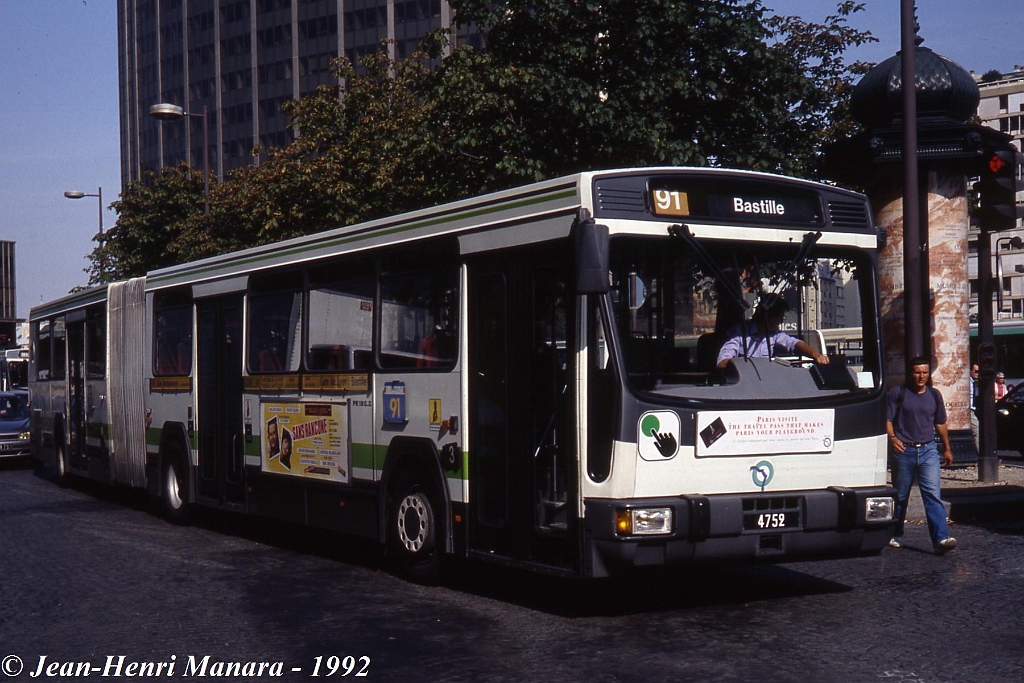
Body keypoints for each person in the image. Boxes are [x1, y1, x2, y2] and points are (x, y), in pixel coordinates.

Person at [886, 356, 956, 554]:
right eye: (917, 372)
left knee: (933, 495)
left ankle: (941, 539)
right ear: (910, 373)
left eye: (925, 372)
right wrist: (893, 438)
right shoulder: (897, 393)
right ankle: (896, 532)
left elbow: (940, 422)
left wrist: (947, 448)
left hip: (928, 450)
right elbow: (887, 419)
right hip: (904, 451)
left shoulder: (934, 395)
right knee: (901, 495)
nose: (921, 376)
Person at [716, 295, 829, 369]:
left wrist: (816, 355)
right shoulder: (738, 332)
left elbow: (794, 343)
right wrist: (743, 366)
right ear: (769, 317)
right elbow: (722, 362)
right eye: (780, 317)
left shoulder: (774, 334)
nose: (781, 321)